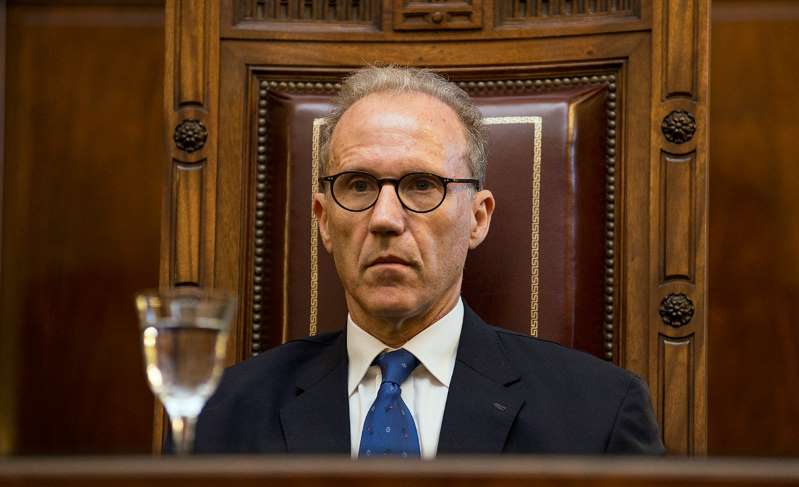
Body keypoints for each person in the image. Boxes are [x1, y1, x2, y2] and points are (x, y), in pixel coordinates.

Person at [193, 67, 665, 457]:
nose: (385, 218)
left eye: (422, 185)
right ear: (323, 220)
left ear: (478, 218)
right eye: (359, 185)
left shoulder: (598, 414)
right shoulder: (221, 413)